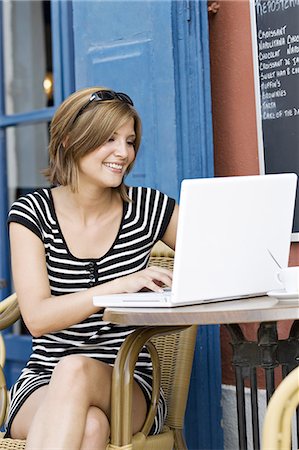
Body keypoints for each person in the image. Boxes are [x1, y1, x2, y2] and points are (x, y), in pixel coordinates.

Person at [6, 87, 178, 450]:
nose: (123, 153)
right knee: (90, 428)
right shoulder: (32, 214)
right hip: (43, 380)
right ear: (70, 140)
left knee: (76, 369)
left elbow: (217, 257)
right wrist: (114, 287)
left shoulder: (148, 207)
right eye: (109, 139)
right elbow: (36, 317)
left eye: (130, 141)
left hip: (127, 380)